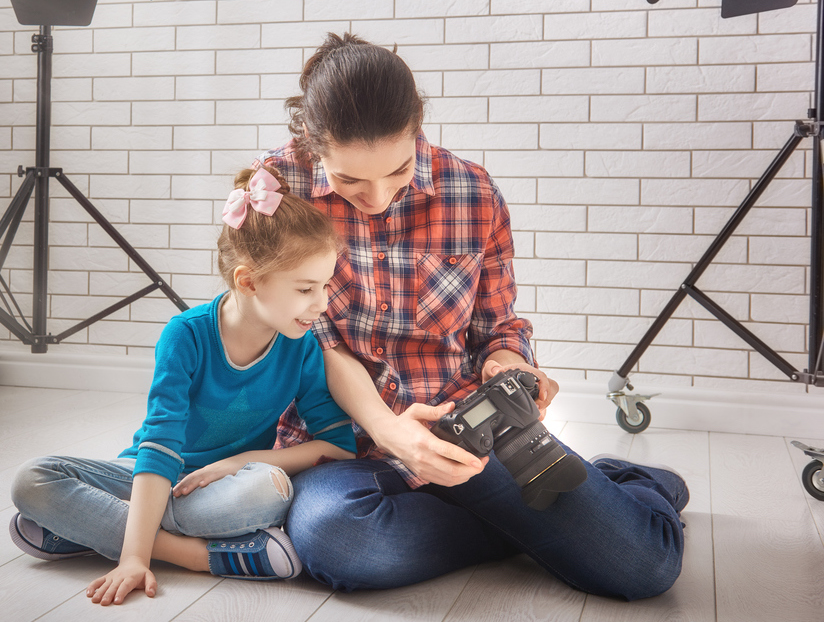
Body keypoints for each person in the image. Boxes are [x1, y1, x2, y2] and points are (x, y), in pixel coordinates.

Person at [258, 32, 688, 600]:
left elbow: (498, 326)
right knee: (337, 540)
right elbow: (303, 343)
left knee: (644, 567)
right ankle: (543, 524)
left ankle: (631, 485)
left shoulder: (473, 192)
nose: (379, 196)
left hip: (468, 427)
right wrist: (392, 433)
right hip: (342, 441)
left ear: (417, 129)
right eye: (349, 180)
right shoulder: (276, 191)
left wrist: (509, 365)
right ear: (313, 144)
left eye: (397, 170)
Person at [9, 165, 356, 606]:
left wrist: (239, 463)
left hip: (221, 490)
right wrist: (135, 558)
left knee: (269, 487)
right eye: (307, 288)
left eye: (325, 285)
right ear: (247, 281)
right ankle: (192, 555)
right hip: (150, 477)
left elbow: (339, 446)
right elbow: (159, 447)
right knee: (31, 480)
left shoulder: (301, 346)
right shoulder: (186, 335)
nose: (322, 304)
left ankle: (87, 530)